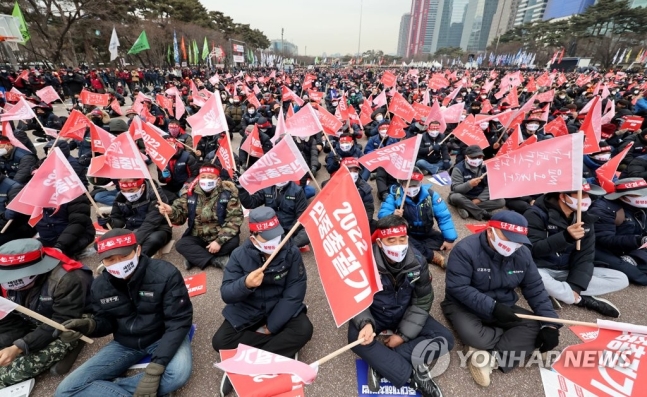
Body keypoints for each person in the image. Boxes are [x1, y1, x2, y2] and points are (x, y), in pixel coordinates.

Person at [54, 229, 193, 397]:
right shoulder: (100, 286)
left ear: (138, 250)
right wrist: (89, 326)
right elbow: (106, 322)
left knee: (177, 374)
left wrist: (155, 370)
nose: (118, 263)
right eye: (110, 259)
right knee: (65, 390)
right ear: (102, 261)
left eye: (124, 256)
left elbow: (179, 321)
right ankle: (143, 391)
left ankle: (114, 387)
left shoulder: (166, 273)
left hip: (163, 335)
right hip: (125, 343)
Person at [442, 211, 560, 387]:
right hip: (464, 305)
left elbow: (535, 288)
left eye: (518, 240)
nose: (513, 245)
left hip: (504, 305)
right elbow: (458, 288)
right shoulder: (464, 250)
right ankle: (505, 344)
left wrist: (550, 324)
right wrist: (492, 307)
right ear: (490, 231)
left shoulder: (523, 254)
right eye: (508, 238)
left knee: (538, 325)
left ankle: (489, 357)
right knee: (475, 337)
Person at [350, 215, 454, 397]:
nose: (398, 245)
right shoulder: (363, 262)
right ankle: (414, 377)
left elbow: (423, 299)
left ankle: (381, 362)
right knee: (355, 339)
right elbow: (355, 298)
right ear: (380, 243)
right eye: (391, 240)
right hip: (375, 314)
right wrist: (365, 322)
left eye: (402, 239)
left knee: (445, 339)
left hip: (404, 312)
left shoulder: (418, 261)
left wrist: (403, 336)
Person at [212, 208, 313, 395]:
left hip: (279, 307)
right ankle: (281, 352)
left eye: (278, 235)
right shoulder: (239, 255)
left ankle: (242, 368)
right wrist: (245, 284)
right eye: (268, 237)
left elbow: (295, 290)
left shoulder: (291, 251)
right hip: (248, 309)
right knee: (220, 342)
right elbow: (226, 293)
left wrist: (272, 326)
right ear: (253, 238)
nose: (276, 241)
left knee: (304, 329)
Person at [524, 181, 628, 317]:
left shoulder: (586, 219)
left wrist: (576, 286)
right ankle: (581, 300)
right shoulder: (535, 214)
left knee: (621, 279)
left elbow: (585, 256)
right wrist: (566, 237)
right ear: (563, 196)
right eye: (581, 195)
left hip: (566, 269)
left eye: (588, 196)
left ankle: (561, 292)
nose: (586, 200)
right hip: (541, 267)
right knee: (532, 277)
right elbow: (532, 250)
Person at [0, 239, 93, 386]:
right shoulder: (8, 285)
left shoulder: (67, 279)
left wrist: (17, 347)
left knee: (8, 374)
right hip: (34, 319)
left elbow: (61, 321)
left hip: (70, 322)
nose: (8, 282)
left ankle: (74, 346)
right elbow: (12, 319)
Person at [159, 165, 243, 270]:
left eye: (210, 177)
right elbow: (179, 218)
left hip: (219, 233)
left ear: (218, 179)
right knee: (181, 245)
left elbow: (234, 220)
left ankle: (195, 257)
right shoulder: (190, 193)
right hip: (198, 235)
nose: (206, 180)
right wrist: (171, 211)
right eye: (203, 176)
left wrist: (219, 241)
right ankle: (216, 260)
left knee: (234, 242)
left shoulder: (228, 194)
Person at [378, 168, 457, 267]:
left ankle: (415, 249)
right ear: (401, 184)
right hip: (407, 233)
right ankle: (432, 256)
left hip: (426, 231)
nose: (411, 188)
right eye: (408, 185)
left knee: (442, 241)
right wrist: (393, 214)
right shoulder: (394, 196)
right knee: (405, 241)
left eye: (414, 185)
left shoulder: (431, 195)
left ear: (420, 183)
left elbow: (444, 217)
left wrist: (449, 239)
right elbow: (382, 215)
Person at [588, 178, 647, 285]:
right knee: (640, 277)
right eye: (640, 194)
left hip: (633, 247)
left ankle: (635, 258)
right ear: (624, 196)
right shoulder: (602, 208)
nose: (645, 197)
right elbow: (604, 239)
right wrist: (639, 240)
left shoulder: (641, 207)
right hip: (604, 249)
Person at [102, 178, 172, 257]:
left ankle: (135, 260)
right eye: (123, 190)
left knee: (153, 240)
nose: (127, 194)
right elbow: (117, 218)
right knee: (106, 242)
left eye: (131, 190)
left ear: (142, 187)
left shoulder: (156, 195)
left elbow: (151, 223)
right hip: (131, 228)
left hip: (157, 228)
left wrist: (133, 242)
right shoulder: (119, 196)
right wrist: (109, 222)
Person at [237, 176, 310, 248]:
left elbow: (301, 217)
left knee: (308, 233)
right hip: (271, 228)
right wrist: (242, 190)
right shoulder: (267, 187)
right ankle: (277, 244)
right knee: (248, 245)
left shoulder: (297, 191)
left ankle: (288, 246)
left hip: (290, 229)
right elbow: (251, 203)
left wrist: (288, 233)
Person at [448, 145, 505, 220]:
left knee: (501, 201)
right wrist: (469, 184)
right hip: (464, 195)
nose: (477, 159)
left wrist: (478, 200)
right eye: (474, 157)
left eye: (480, 157)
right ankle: (482, 214)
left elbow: (490, 186)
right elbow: (456, 189)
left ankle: (465, 208)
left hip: (478, 195)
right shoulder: (458, 169)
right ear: (466, 157)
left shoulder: (486, 167)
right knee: (455, 197)